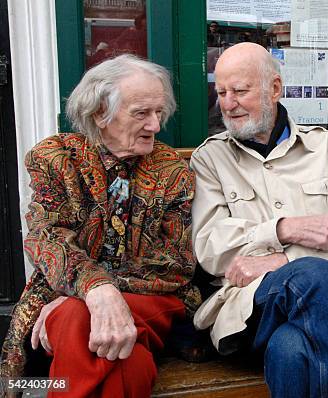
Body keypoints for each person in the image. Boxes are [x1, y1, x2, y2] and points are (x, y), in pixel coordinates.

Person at [190, 42, 328, 397]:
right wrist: (282, 229)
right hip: (253, 308)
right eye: (222, 92)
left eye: (240, 91)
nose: (228, 104)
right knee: (317, 273)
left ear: (275, 89)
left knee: (290, 349)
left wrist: (283, 259)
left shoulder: (327, 148)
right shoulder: (211, 160)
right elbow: (212, 249)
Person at [0, 55, 201, 396]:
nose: (155, 125)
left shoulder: (172, 170)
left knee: (73, 316)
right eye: (141, 113)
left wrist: (98, 291)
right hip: (80, 301)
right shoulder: (56, 158)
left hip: (154, 300)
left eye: (159, 112)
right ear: (99, 114)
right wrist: (97, 291)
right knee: (127, 361)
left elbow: (175, 264)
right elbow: (47, 238)